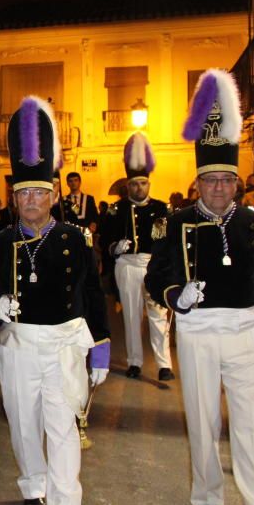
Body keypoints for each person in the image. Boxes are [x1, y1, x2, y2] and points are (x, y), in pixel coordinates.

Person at [146, 69, 254, 505]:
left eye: (225, 179)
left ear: (237, 182)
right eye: (209, 179)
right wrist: (176, 295)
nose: (217, 187)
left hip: (247, 331)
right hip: (198, 332)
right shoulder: (178, 222)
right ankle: (208, 503)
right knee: (204, 423)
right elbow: (155, 277)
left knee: (253, 427)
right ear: (197, 184)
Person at [0, 96, 110, 505]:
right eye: (23, 193)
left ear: (53, 195)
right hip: (18, 346)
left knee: (63, 423)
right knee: (23, 422)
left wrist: (102, 344)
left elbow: (92, 291)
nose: (31, 200)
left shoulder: (76, 236)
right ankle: (33, 486)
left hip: (65, 344)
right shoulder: (0, 241)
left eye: (39, 192)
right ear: (14, 197)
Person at [100, 132, 172, 381]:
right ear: (127, 185)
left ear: (149, 184)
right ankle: (134, 361)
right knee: (131, 314)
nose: (138, 188)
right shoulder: (115, 210)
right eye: (134, 184)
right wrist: (114, 248)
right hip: (127, 265)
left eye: (142, 183)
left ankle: (164, 364)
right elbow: (104, 240)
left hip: (152, 265)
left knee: (158, 313)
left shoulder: (162, 208)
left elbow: (169, 241)